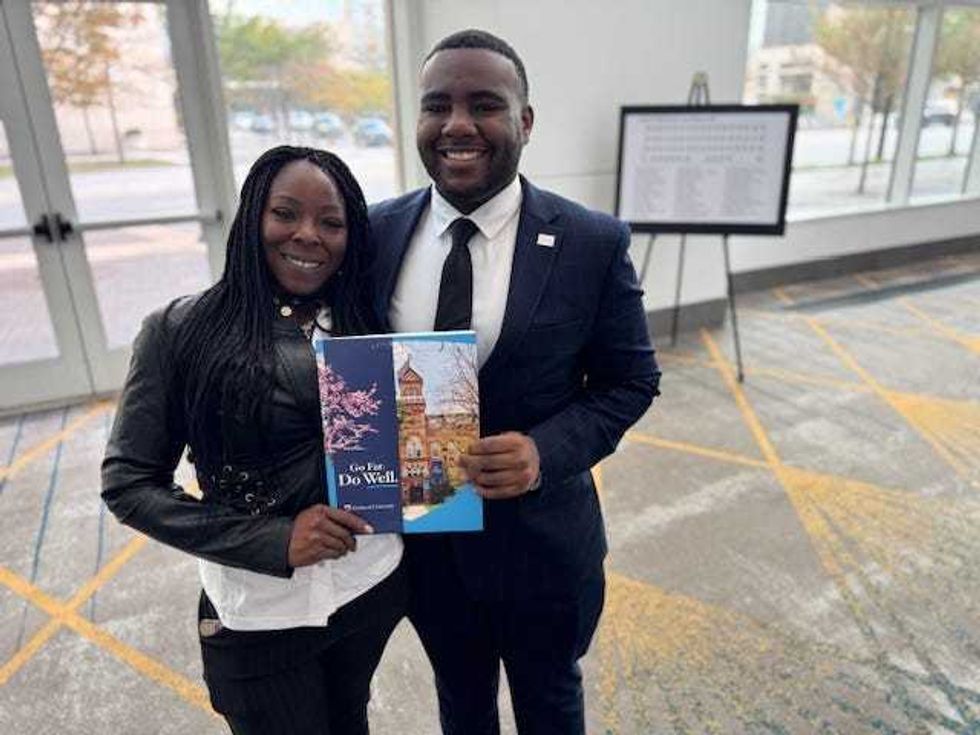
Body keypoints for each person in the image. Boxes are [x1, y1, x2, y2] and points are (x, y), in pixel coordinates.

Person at [370, 29, 661, 735]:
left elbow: (630, 381)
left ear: (524, 122)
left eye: (485, 105)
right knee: (461, 702)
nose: (458, 124)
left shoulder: (592, 241)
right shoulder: (374, 232)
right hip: (427, 545)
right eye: (437, 105)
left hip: (542, 548)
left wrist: (543, 451)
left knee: (550, 703)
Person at [102, 146, 405, 735]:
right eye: (285, 213)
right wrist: (273, 539)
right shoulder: (179, 330)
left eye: (332, 222)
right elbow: (128, 486)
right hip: (258, 610)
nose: (308, 235)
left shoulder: (370, 321)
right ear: (251, 219)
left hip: (369, 588)